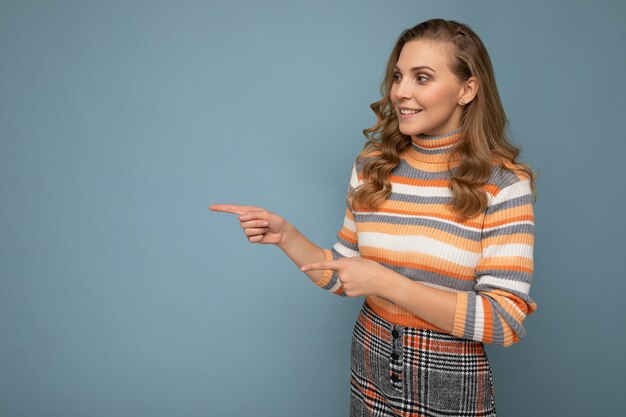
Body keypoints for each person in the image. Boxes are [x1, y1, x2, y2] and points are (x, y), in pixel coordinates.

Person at [210, 18, 537, 417]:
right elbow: (344, 274)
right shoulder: (372, 166)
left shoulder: (503, 184)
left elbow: (503, 321)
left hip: (450, 377)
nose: (401, 91)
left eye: (422, 78)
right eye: (399, 76)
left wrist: (387, 282)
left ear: (466, 90)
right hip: (371, 358)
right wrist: (287, 237)